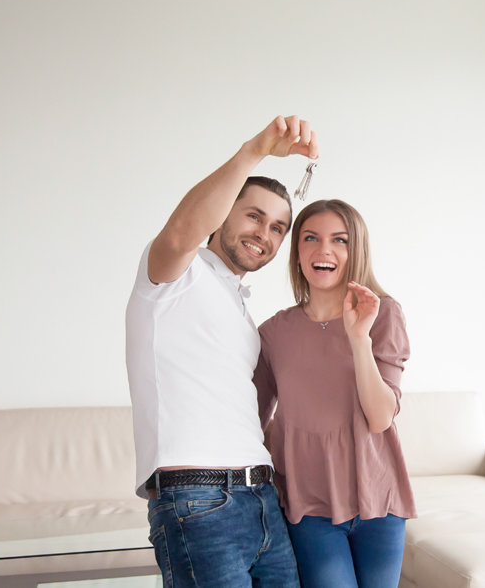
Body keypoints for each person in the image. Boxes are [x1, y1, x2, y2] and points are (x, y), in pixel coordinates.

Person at [125, 115, 319, 588]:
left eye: (278, 227)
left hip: (262, 499)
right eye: (253, 216)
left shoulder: (240, 309)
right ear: (223, 212)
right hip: (198, 498)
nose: (264, 234)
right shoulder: (174, 275)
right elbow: (180, 234)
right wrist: (255, 150)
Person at [253, 199, 416, 588]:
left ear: (355, 250)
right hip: (310, 508)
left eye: (339, 240)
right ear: (297, 253)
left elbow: (380, 417)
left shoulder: (383, 313)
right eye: (311, 238)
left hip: (380, 503)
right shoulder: (273, 333)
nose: (323, 249)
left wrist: (359, 338)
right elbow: (251, 420)